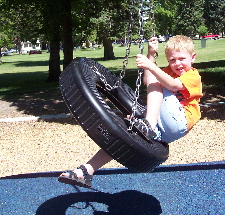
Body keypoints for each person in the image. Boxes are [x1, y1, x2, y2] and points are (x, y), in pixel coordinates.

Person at [58, 35, 202, 188]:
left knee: (156, 81)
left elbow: (172, 85)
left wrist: (151, 67)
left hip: (180, 121)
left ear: (192, 57)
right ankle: (85, 171)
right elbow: (147, 80)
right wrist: (151, 55)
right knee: (123, 134)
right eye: (172, 60)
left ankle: (148, 125)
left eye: (181, 59)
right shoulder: (168, 71)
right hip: (164, 132)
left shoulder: (193, 75)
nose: (177, 63)